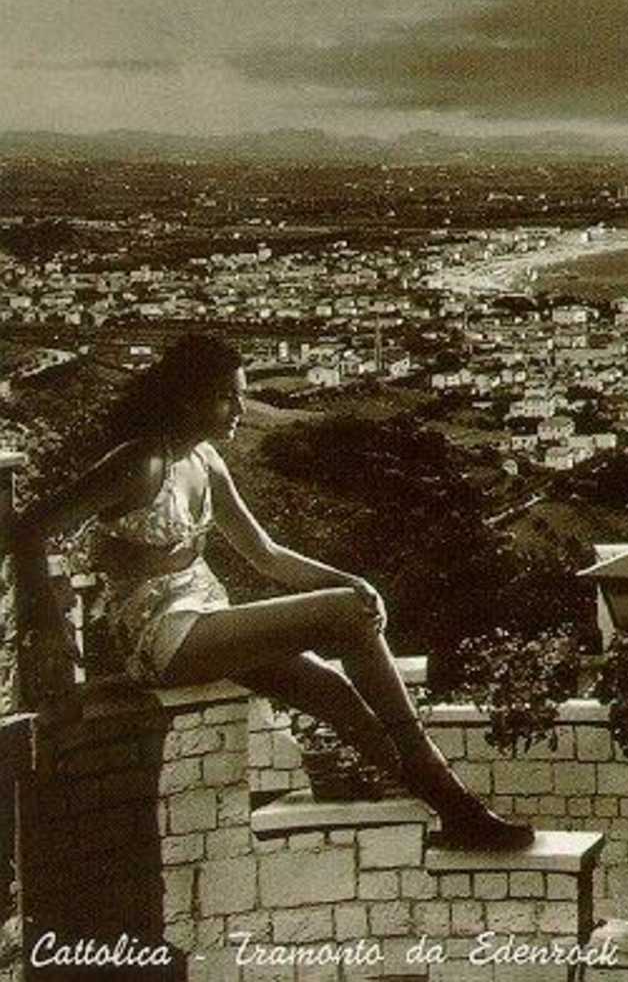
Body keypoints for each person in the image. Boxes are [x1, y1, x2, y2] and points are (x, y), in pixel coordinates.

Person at [7, 335, 531, 848]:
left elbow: (266, 554)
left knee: (332, 690)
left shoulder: (206, 460)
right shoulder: (140, 462)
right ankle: (447, 791)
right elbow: (30, 528)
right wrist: (46, 622)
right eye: (226, 397)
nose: (239, 408)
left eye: (240, 395)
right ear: (188, 400)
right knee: (346, 616)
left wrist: (351, 582)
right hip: (159, 636)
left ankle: (451, 808)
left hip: (206, 618)